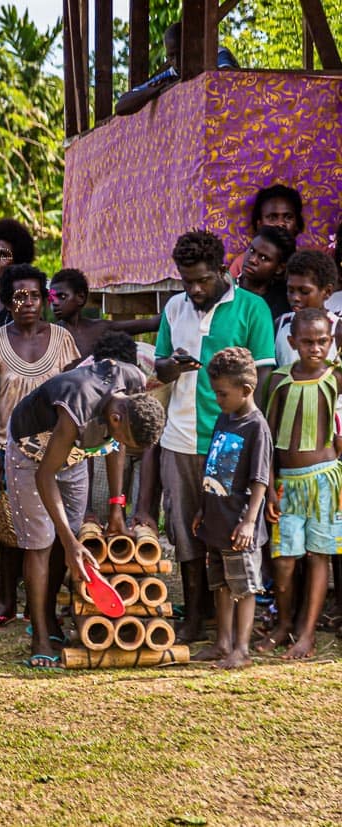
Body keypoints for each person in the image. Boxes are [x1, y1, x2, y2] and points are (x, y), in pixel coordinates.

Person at [146, 230, 275, 642]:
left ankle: (233, 626)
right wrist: (172, 366)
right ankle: (193, 616)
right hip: (180, 438)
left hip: (232, 442)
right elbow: (160, 368)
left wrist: (256, 441)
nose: (195, 290)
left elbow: (263, 379)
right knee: (185, 530)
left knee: (231, 532)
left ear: (222, 270)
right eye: (187, 282)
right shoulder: (174, 308)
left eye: (202, 280)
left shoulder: (252, 308)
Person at [6, 357, 165, 667]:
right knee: (41, 543)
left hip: (74, 455)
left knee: (67, 538)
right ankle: (40, 637)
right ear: (115, 419)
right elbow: (44, 476)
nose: (120, 442)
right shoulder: (76, 407)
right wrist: (70, 542)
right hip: (31, 455)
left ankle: (49, 618)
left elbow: (115, 447)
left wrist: (116, 505)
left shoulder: (132, 386)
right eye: (123, 436)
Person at [0, 265, 80, 632]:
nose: (28, 303)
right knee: (8, 532)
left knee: (50, 533)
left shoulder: (62, 338)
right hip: (9, 449)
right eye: (20, 296)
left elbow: (75, 392)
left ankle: (45, 609)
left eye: (35, 295)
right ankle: (7, 599)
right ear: (8, 301)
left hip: (56, 452)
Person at [258, 308, 342, 659]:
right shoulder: (279, 380)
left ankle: (306, 634)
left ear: (331, 342)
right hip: (287, 484)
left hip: (324, 480)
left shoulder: (335, 377)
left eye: (322, 341)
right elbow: (268, 439)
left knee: (320, 555)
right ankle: (283, 625)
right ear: (292, 342)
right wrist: (269, 488)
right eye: (307, 342)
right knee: (284, 560)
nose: (315, 348)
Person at [190, 349, 272, 670]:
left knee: (244, 587)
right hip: (216, 521)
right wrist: (203, 508)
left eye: (222, 393)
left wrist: (249, 522)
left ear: (246, 390)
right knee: (221, 584)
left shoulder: (257, 427)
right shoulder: (224, 418)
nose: (217, 399)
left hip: (239, 527)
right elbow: (212, 466)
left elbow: (260, 479)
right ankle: (222, 643)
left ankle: (242, 649)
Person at [115, 20, 239, 116]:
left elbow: (227, 79)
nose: (177, 61)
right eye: (171, 56)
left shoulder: (217, 54)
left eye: (181, 53)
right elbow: (121, 106)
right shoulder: (173, 73)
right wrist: (154, 90)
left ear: (193, 46)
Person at [49, 268, 161, 357]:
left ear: (80, 298)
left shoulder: (100, 328)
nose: (54, 303)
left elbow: (153, 323)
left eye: (62, 296)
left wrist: (172, 305)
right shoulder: (49, 335)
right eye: (52, 298)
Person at [274, 250, 340, 366]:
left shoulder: (338, 329)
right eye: (290, 290)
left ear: (327, 292)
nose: (295, 298)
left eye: (304, 291)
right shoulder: (280, 324)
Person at [228, 185, 307, 280]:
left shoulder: (308, 263)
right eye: (272, 217)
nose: (281, 223)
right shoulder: (242, 264)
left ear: (297, 224)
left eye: (288, 217)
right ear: (259, 224)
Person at [236, 226, 295, 321]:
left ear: (279, 268)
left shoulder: (283, 303)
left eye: (263, 258)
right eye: (251, 251)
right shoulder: (226, 287)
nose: (252, 260)